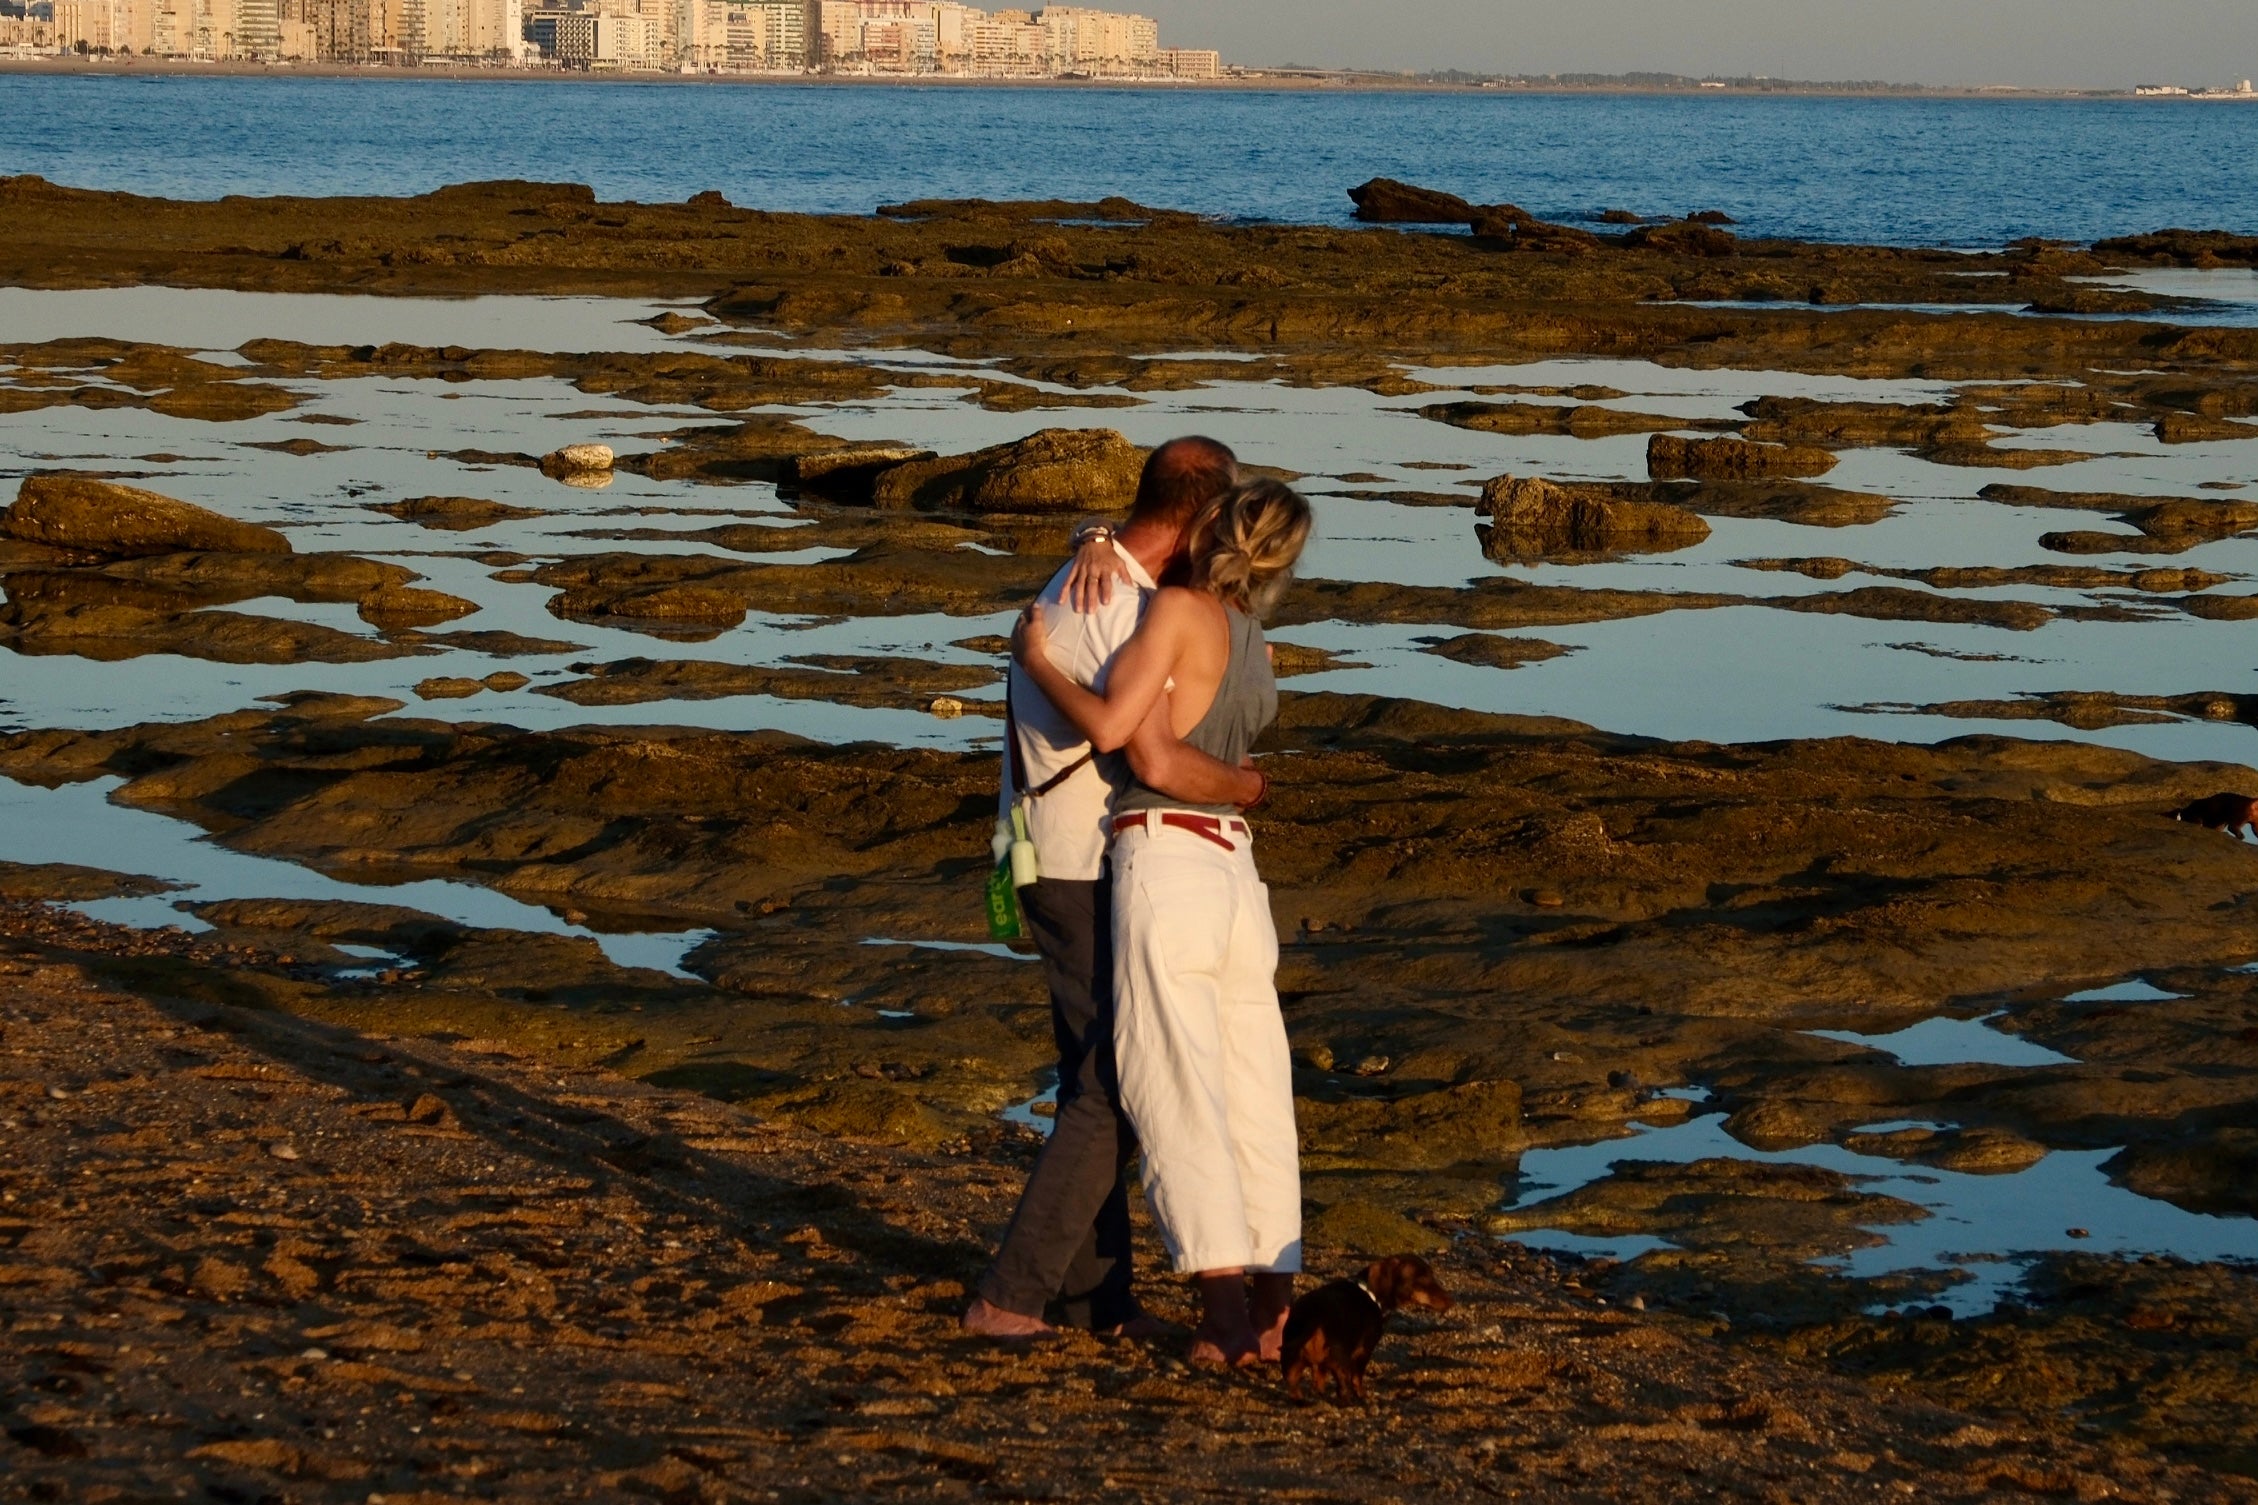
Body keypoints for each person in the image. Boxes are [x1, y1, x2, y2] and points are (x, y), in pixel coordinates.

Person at [962, 437, 1266, 1342]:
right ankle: (1009, 1296)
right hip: (1085, 861)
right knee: (1113, 1081)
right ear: (1205, 515)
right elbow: (1148, 752)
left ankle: (1094, 1301)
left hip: (1044, 848)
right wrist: (1247, 787)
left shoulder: (1084, 574)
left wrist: (1091, 530)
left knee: (1092, 1075)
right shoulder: (1127, 603)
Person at [1012, 477, 1314, 1369]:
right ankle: (1272, 1311)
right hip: (1237, 871)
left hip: (1167, 861)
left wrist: (1035, 658)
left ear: (1212, 528)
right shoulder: (1256, 639)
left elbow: (1123, 734)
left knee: (1174, 1090)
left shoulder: (1177, 609)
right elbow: (1237, 761)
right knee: (1258, 1091)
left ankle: (1222, 1323)